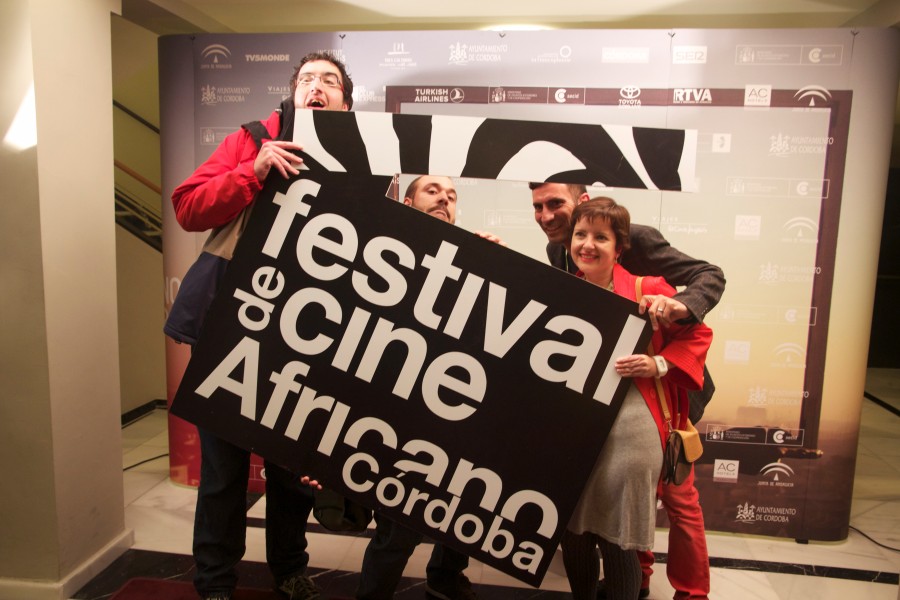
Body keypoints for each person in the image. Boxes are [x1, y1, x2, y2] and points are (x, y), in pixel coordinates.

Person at [166, 51, 354, 600]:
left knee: (291, 473)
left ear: (345, 103)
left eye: (330, 81)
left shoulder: (366, 160)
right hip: (231, 330)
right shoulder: (251, 139)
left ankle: (290, 570)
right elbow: (187, 207)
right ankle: (214, 582)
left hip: (305, 337)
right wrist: (252, 171)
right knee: (223, 472)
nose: (317, 87)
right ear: (293, 93)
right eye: (307, 79)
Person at [530, 182, 723, 600]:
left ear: (620, 247)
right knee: (577, 528)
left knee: (641, 523)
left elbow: (703, 306)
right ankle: (638, 581)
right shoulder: (561, 274)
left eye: (600, 237)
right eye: (581, 235)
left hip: (647, 416)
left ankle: (691, 594)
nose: (587, 244)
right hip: (585, 427)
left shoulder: (646, 282)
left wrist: (660, 360)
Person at [354, 175, 478, 600]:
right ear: (407, 203)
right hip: (399, 416)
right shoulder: (384, 252)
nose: (444, 198)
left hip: (453, 412)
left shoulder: (476, 259)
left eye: (451, 195)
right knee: (397, 528)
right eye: (432, 191)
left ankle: (445, 580)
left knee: (462, 514)